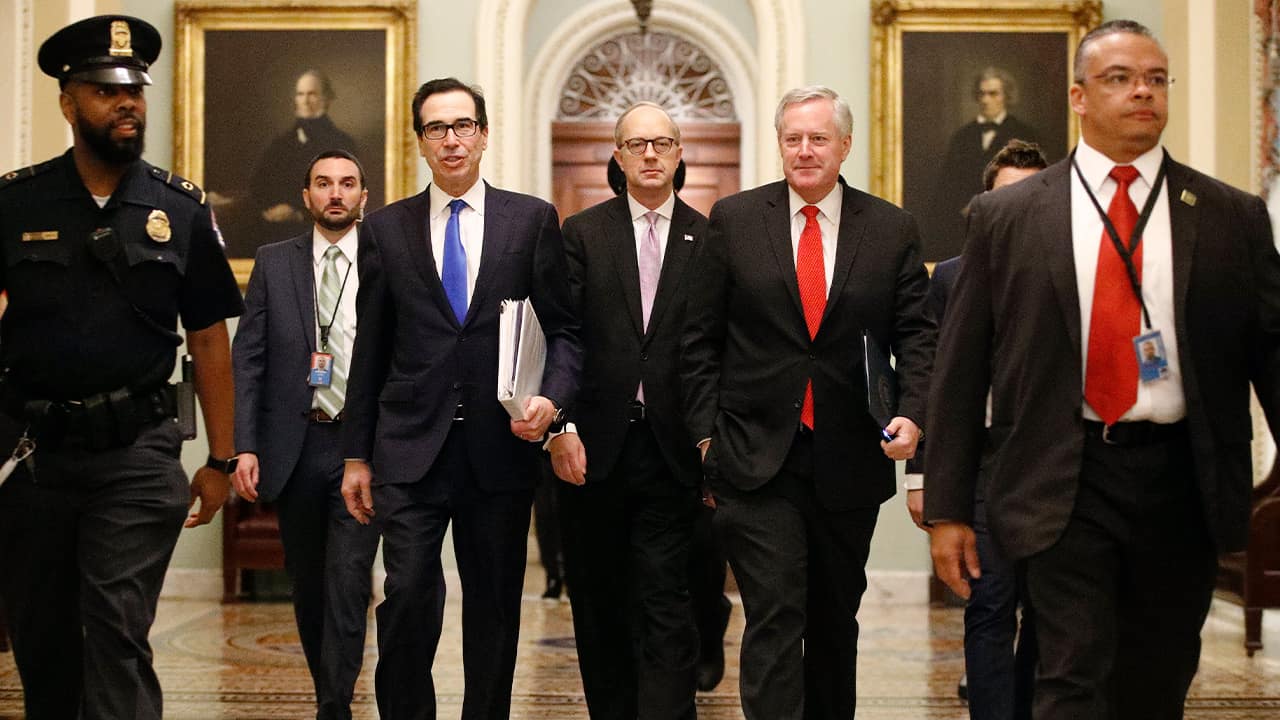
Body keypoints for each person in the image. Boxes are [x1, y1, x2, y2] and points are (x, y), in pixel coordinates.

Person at [926, 20, 1280, 719]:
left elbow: (1270, 351)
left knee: (1157, 681)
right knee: (1070, 676)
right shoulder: (1009, 216)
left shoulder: (1230, 216)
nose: (1141, 92)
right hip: (1065, 475)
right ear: (1079, 96)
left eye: (1155, 78)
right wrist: (946, 509)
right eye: (1119, 78)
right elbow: (961, 370)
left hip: (1184, 479)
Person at [0, 14, 243, 718]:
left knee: (115, 626)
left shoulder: (179, 207)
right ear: (68, 101)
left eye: (133, 88)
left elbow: (208, 339)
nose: (126, 102)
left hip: (136, 453)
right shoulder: (16, 202)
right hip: (34, 452)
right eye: (105, 90)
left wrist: (221, 460)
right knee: (43, 640)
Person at [681, 85, 935, 719]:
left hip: (850, 458)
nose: (804, 150)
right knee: (773, 614)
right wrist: (708, 437)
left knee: (832, 620)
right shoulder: (736, 220)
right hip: (755, 457)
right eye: (792, 138)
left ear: (844, 145)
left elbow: (921, 337)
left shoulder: (892, 228)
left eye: (818, 138)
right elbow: (699, 339)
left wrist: (915, 412)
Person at [339, 77, 581, 719]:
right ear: (420, 141)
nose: (452, 139)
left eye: (463, 125)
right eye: (437, 128)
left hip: (500, 450)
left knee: (495, 607)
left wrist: (552, 404)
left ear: (483, 133)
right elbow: (370, 349)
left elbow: (563, 330)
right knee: (410, 593)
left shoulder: (530, 220)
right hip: (410, 447)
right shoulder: (386, 228)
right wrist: (356, 457)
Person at [548, 102, 706, 719]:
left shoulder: (707, 236)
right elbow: (563, 337)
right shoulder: (583, 234)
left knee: (668, 601)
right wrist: (561, 426)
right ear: (617, 156)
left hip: (674, 451)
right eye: (636, 144)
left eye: (662, 144)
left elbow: (714, 344)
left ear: (678, 154)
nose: (649, 155)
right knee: (600, 602)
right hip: (594, 450)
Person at [231, 149, 381, 720]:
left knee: (348, 580)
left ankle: (333, 707)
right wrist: (245, 445)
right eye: (324, 183)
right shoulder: (274, 261)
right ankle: (330, 693)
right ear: (306, 195)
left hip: (360, 447)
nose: (336, 193)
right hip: (293, 447)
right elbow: (250, 359)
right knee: (310, 584)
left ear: (364, 196)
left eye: (347, 184)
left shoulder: (386, 259)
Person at [907, 139, 1047, 720]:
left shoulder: (1073, 271)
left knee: (1049, 613)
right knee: (988, 607)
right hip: (984, 471)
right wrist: (922, 478)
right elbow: (937, 382)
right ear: (985, 205)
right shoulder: (952, 278)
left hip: (1053, 470)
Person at [237, 70, 359, 256]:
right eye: (301, 94)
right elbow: (257, 185)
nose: (305, 100)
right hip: (275, 230)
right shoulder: (281, 143)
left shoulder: (342, 143)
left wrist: (297, 212)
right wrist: (272, 210)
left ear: (326, 99)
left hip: (321, 231)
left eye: (312, 94)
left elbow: (347, 196)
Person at [930, 67, 1042, 258]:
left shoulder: (1024, 133)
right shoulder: (962, 136)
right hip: (965, 226)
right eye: (981, 94)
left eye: (993, 94)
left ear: (1006, 96)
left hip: (1011, 225)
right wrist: (964, 207)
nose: (985, 100)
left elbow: (1034, 184)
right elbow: (947, 182)